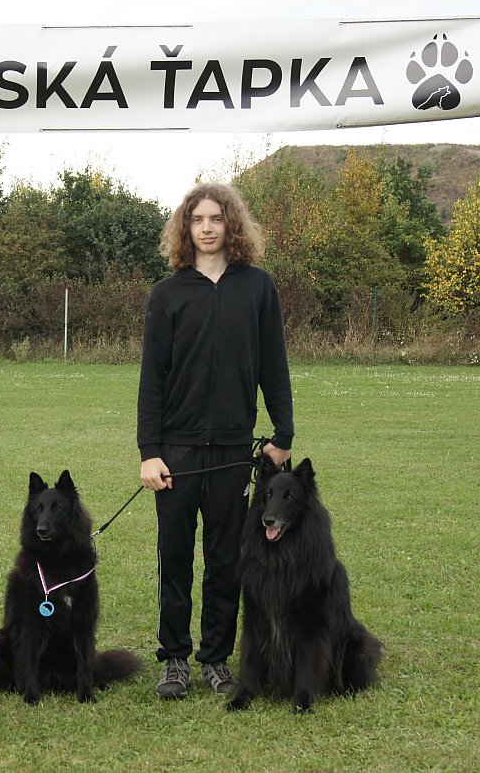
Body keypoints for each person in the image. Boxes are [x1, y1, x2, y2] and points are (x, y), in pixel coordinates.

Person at [137, 182, 294, 699]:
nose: (206, 228)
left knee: (227, 559)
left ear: (233, 225)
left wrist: (282, 435)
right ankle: (175, 659)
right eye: (197, 219)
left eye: (216, 219)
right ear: (186, 228)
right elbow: (152, 379)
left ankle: (216, 659)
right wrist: (149, 452)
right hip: (176, 452)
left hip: (233, 451)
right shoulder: (168, 294)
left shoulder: (257, 287)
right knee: (176, 558)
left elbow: (274, 365)